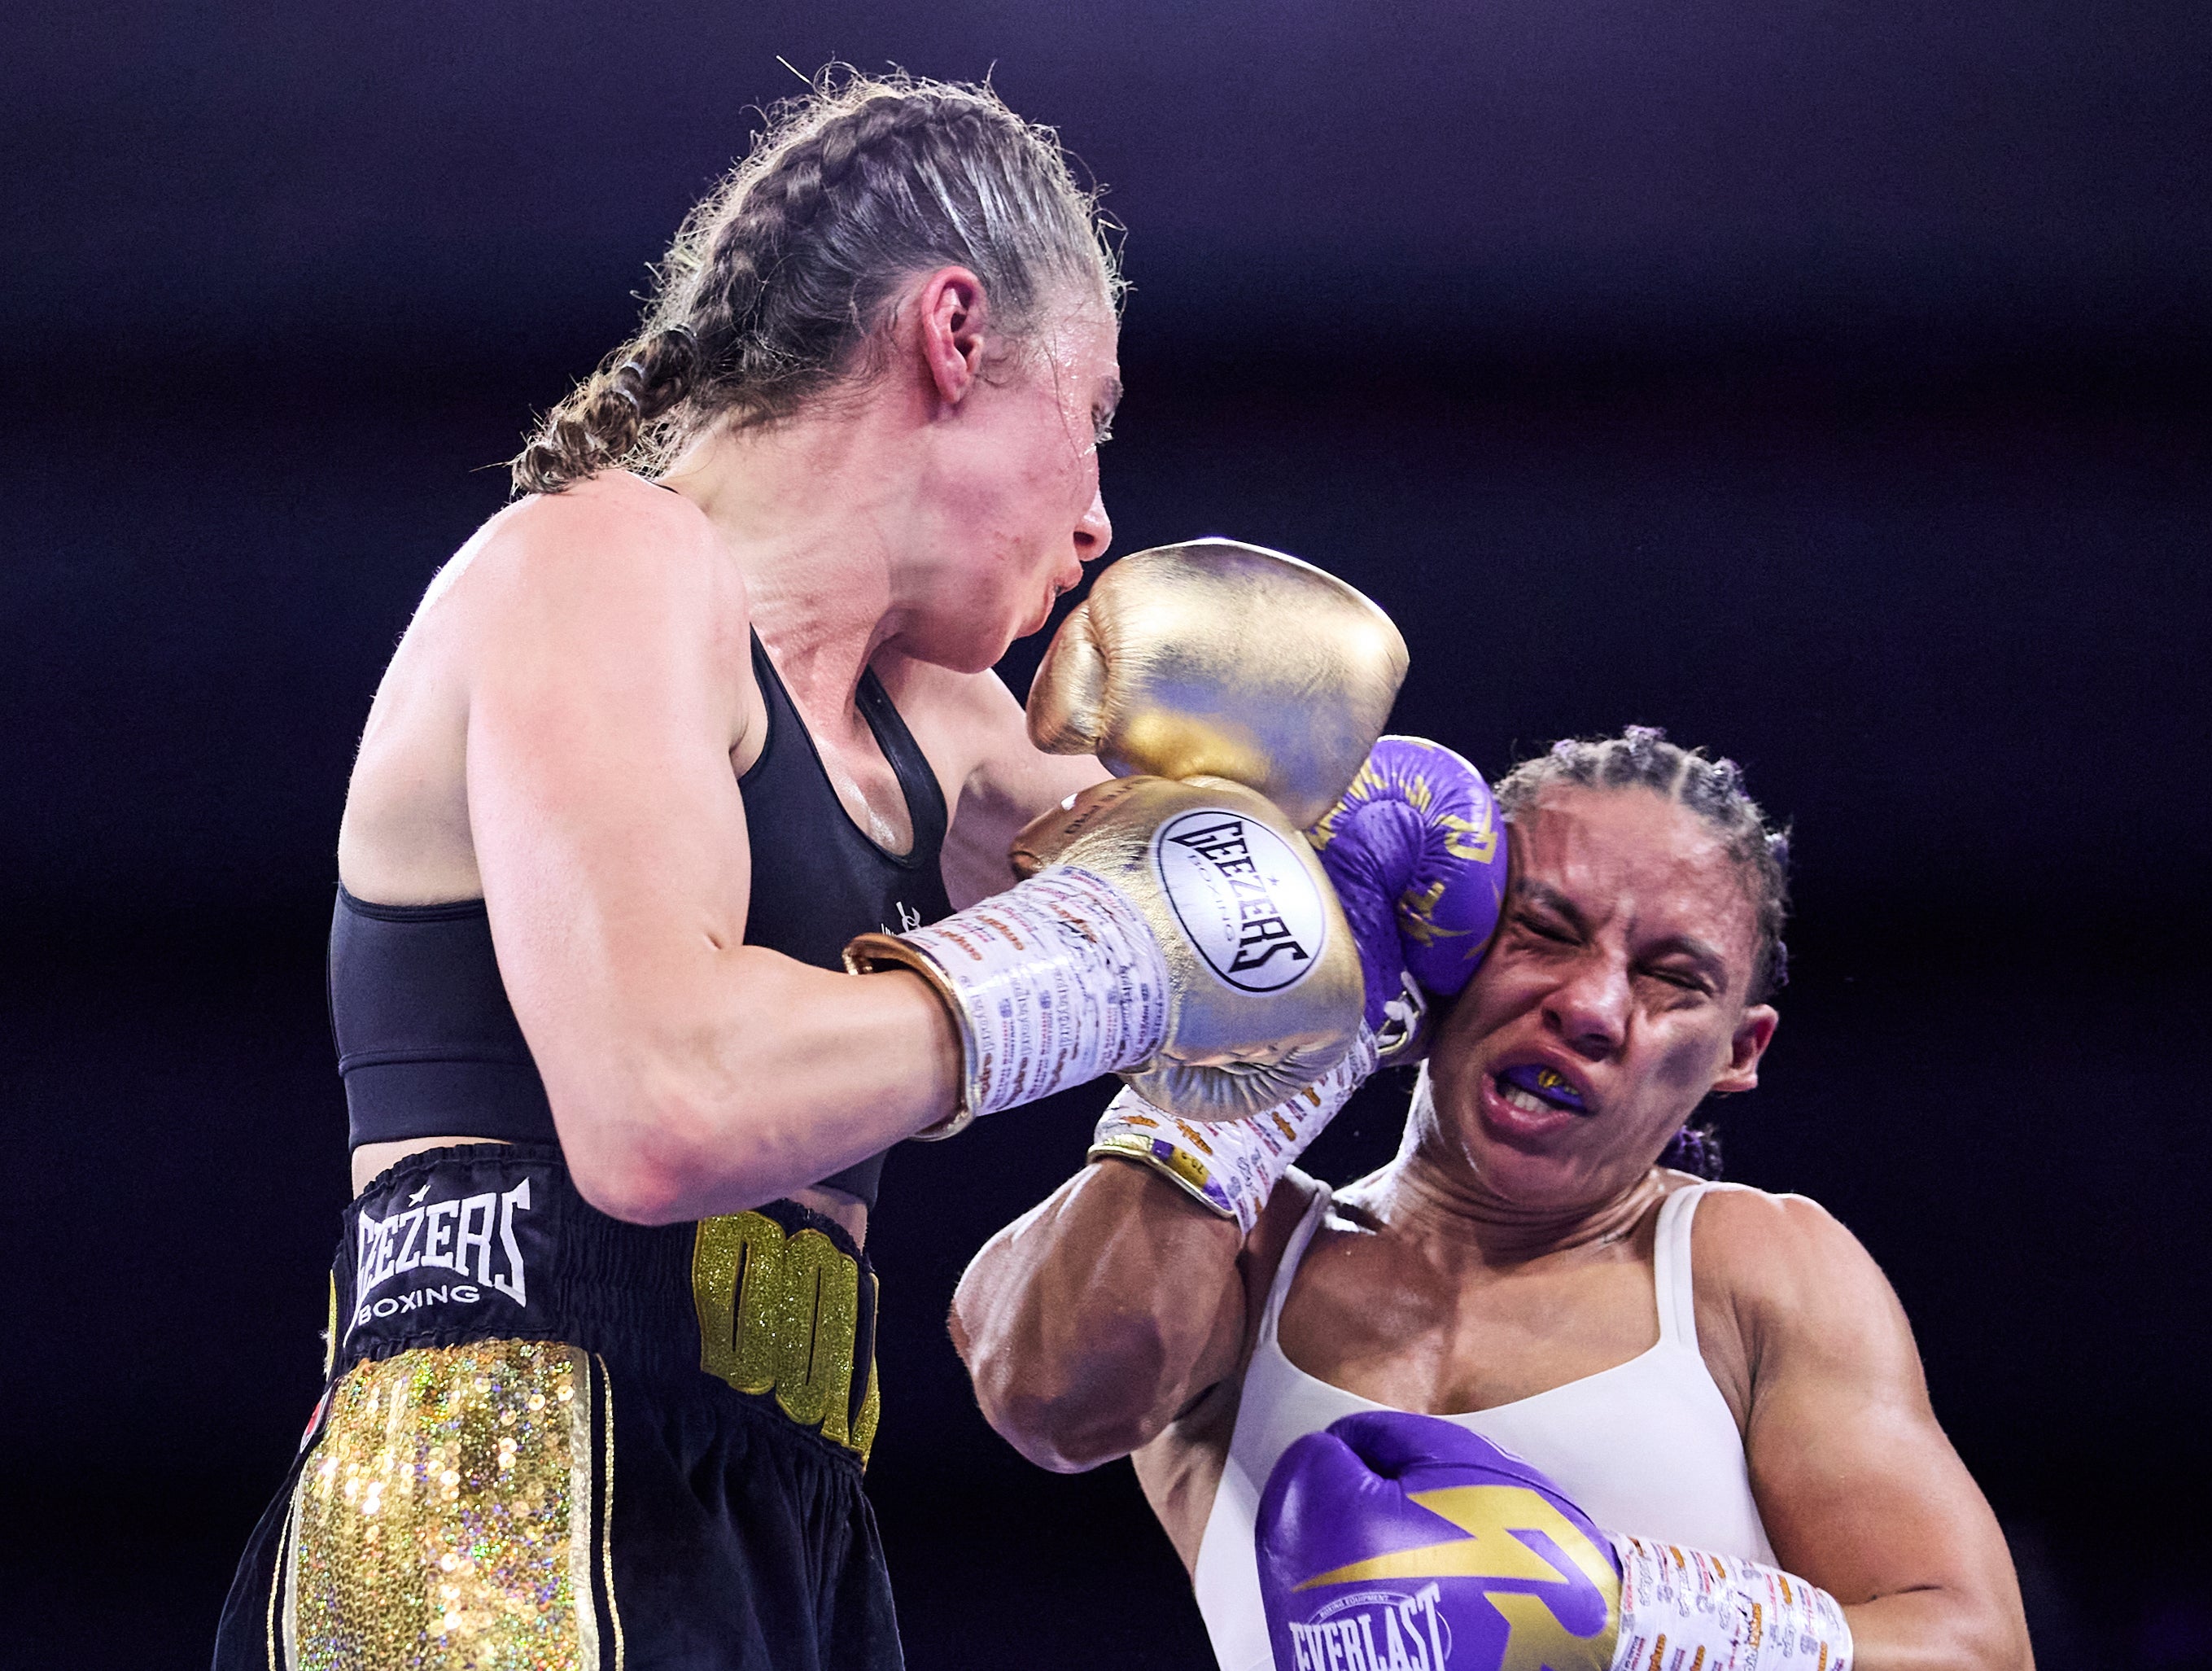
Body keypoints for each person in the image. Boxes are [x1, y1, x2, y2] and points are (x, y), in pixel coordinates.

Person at [213, 70, 1414, 1671]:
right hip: (494, 1493)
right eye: (1092, 416)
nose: (1100, 519)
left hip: (788, 1520)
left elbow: (1273, 934)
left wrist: (1406, 844)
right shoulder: (600, 564)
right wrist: (1108, 953)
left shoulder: (942, 727)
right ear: (955, 334)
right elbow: (665, 1108)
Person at [952, 727, 2037, 1670]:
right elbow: (1046, 1394)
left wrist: (1638, 1621)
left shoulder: (1751, 1267)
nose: (1595, 1007)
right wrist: (1284, 1046)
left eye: (1672, 976)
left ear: (1737, 1053)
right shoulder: (1243, 1253)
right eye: (1546, 930)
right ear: (1448, 938)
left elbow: (1977, 1648)